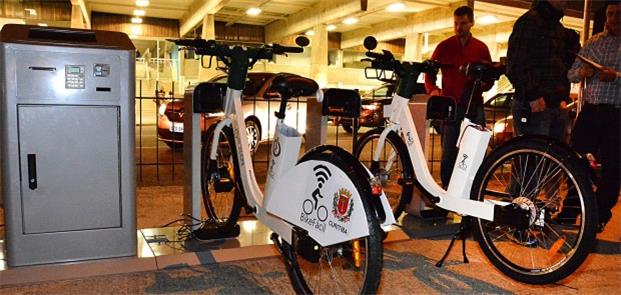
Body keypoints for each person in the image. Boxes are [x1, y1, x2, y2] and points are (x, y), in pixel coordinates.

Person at [565, 1, 620, 232]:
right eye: (610, 13)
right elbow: (571, 74)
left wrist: (615, 76)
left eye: (618, 13)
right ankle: (569, 210)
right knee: (574, 159)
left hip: (617, 114)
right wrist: (582, 72)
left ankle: (598, 213)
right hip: (591, 110)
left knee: (614, 166)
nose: (614, 17)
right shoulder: (594, 41)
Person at [424, 5, 492, 188]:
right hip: (451, 106)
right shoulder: (444, 46)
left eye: (462, 23)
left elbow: (490, 75)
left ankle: (474, 187)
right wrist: (433, 90)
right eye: (455, 23)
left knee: (476, 149)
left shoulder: (481, 48)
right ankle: (447, 188)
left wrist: (485, 85)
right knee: (449, 151)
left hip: (474, 104)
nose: (458, 28)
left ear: (471, 23)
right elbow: (429, 72)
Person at [506, 0, 572, 142]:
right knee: (534, 158)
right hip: (536, 104)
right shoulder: (530, 22)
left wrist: (562, 98)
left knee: (545, 158)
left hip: (552, 104)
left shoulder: (555, 26)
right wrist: (533, 96)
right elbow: (515, 64)